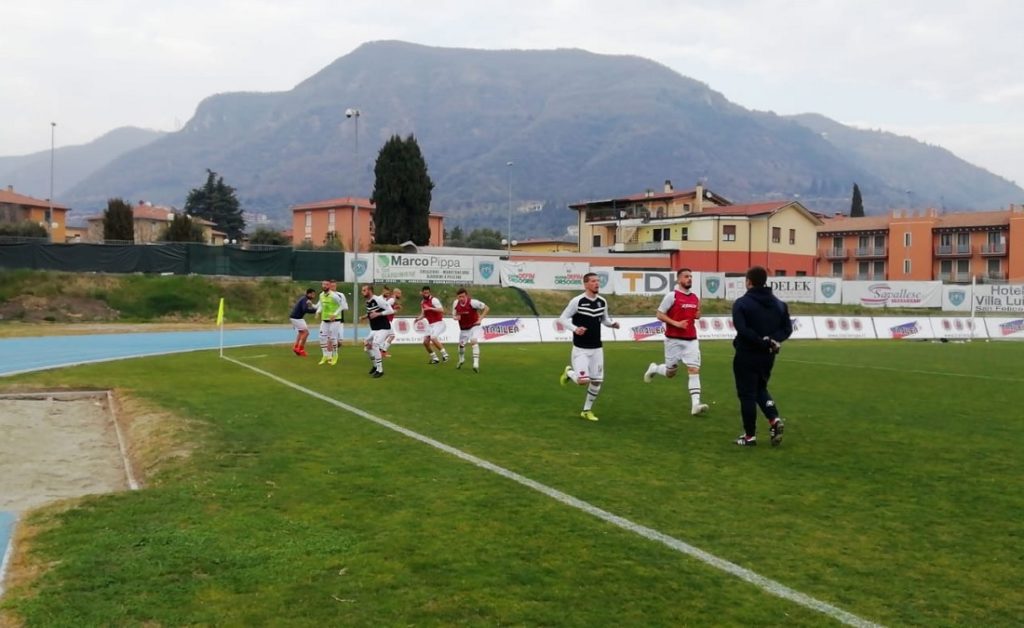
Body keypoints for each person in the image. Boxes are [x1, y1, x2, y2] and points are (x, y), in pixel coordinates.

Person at [731, 265, 792, 447]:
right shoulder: (780, 304)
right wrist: (772, 340)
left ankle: (750, 436)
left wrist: (761, 341)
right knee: (760, 388)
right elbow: (787, 329)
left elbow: (742, 329)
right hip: (768, 356)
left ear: (748, 282)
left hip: (747, 353)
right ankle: (774, 419)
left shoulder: (742, 303)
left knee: (747, 394)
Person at [643, 268, 709, 416]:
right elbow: (659, 314)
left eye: (690, 276)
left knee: (694, 370)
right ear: (679, 280)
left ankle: (695, 405)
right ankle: (654, 368)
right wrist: (676, 323)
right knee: (670, 373)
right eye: (686, 276)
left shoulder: (695, 298)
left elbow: (695, 314)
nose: (689, 278)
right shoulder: (671, 296)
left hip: (691, 340)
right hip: (673, 340)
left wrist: (697, 315)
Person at [557, 272, 620, 421]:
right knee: (582, 381)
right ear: (586, 284)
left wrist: (612, 324)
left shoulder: (602, 301)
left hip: (597, 348)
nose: (597, 283)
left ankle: (586, 410)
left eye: (598, 281)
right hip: (581, 349)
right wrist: (575, 329)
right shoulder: (577, 301)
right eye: (593, 281)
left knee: (597, 381)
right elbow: (562, 318)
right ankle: (569, 373)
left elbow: (604, 319)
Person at [361, 284, 394, 378]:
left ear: (370, 290)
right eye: (362, 290)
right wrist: (365, 317)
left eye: (364, 290)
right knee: (367, 346)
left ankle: (380, 370)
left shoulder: (378, 300)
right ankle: (375, 366)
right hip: (375, 329)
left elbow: (390, 310)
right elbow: (371, 314)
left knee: (375, 345)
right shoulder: (368, 301)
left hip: (383, 328)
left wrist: (378, 314)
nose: (362, 292)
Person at [452, 288, 488, 372]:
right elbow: (453, 315)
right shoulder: (455, 303)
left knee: (473, 341)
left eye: (463, 296)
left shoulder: (473, 302)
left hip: (474, 326)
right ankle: (461, 359)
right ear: (457, 297)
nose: (461, 298)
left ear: (466, 296)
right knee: (461, 345)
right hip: (463, 329)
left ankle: (476, 364)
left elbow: (486, 308)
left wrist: (480, 319)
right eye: (459, 297)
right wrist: (456, 317)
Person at [315, 279, 349, 366]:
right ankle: (325, 356)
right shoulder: (321, 295)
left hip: (335, 320)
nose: (324, 286)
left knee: (333, 338)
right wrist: (318, 312)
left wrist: (335, 314)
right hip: (325, 319)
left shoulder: (334, 296)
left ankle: (335, 355)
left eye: (326, 284)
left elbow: (343, 306)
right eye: (323, 284)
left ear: (329, 286)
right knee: (321, 337)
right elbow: (321, 305)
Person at [415, 286, 450, 364]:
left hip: (438, 323)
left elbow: (442, 310)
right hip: (430, 324)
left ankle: (445, 354)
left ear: (429, 292)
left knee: (433, 338)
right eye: (425, 293)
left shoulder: (434, 300)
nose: (426, 294)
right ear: (422, 293)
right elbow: (423, 314)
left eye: (427, 292)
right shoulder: (422, 302)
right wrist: (418, 319)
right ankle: (435, 358)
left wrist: (430, 308)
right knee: (425, 342)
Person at [289, 288, 318, 357]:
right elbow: (305, 309)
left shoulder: (304, 299)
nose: (314, 296)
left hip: (296, 318)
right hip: (296, 318)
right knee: (306, 333)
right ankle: (300, 349)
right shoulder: (305, 299)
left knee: (301, 332)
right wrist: (315, 311)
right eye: (313, 294)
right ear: (309, 294)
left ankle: (296, 347)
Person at [381, 287, 402, 357]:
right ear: (396, 293)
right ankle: (383, 351)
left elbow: (387, 306)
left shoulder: (391, 299)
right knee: (392, 335)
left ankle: (380, 349)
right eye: (399, 294)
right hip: (386, 320)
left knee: (385, 335)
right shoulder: (392, 299)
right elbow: (385, 306)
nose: (400, 295)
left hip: (385, 319)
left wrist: (395, 307)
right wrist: (394, 310)